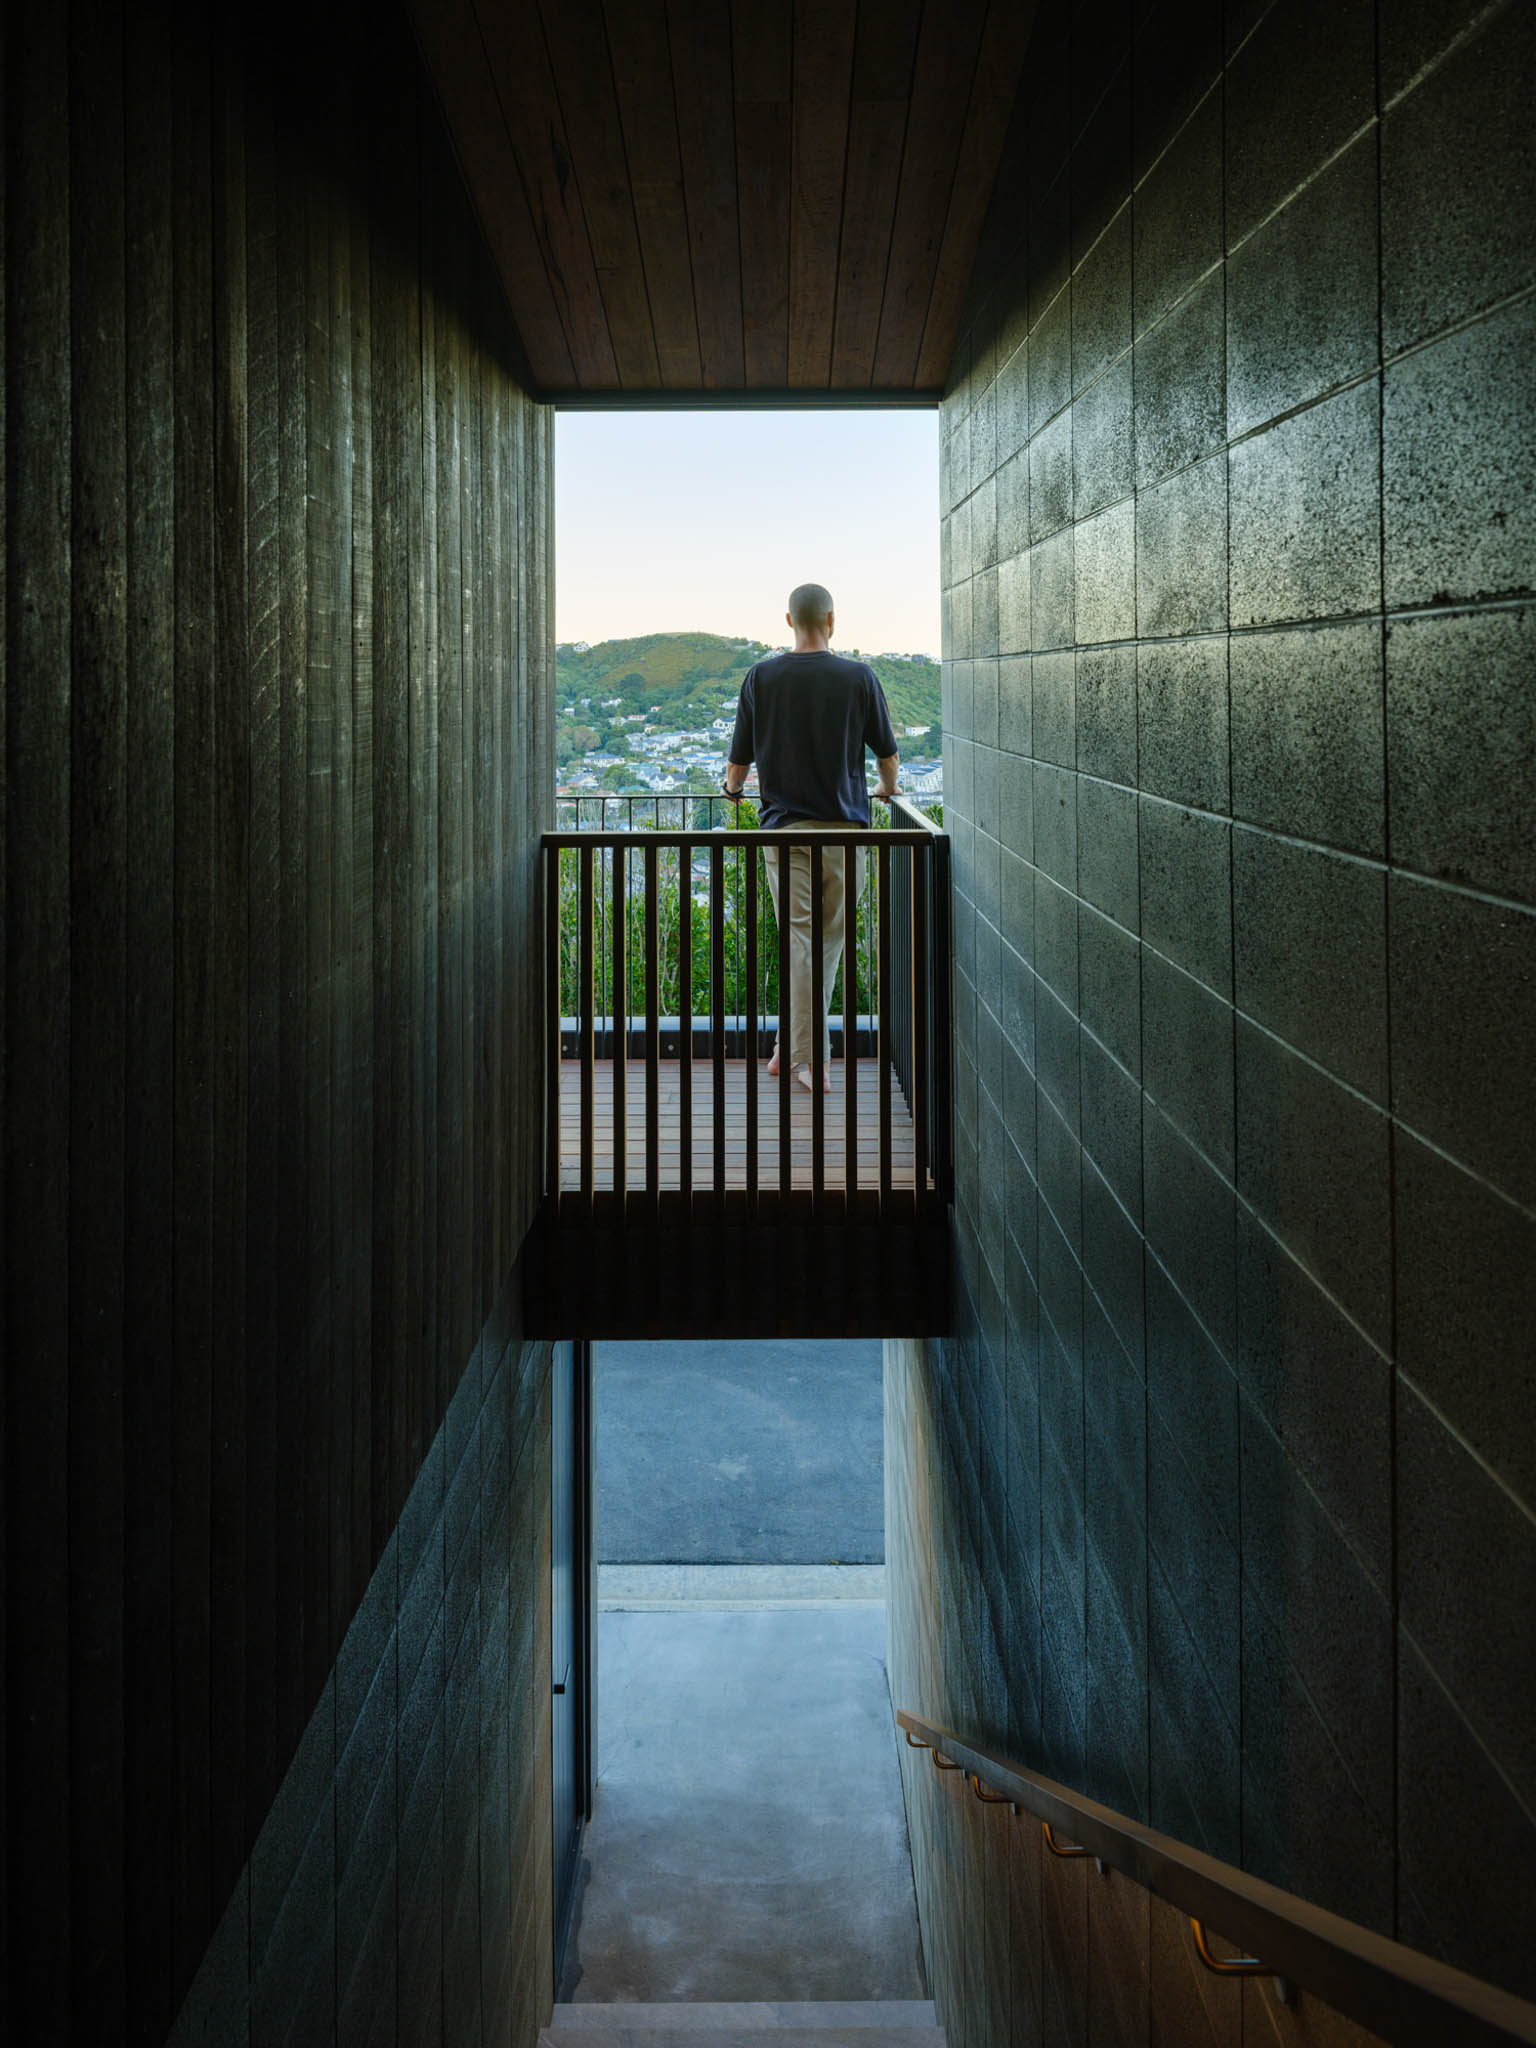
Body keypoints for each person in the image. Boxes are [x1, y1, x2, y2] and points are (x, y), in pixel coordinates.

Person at [722, 583, 900, 1093]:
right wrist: (888, 791)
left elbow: (739, 762)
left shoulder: (762, 677)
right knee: (828, 942)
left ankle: (790, 1049)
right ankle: (812, 1059)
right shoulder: (859, 677)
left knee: (801, 941)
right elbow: (886, 756)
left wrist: (731, 791)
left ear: (788, 621)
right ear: (831, 620)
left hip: (786, 832)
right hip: (845, 832)